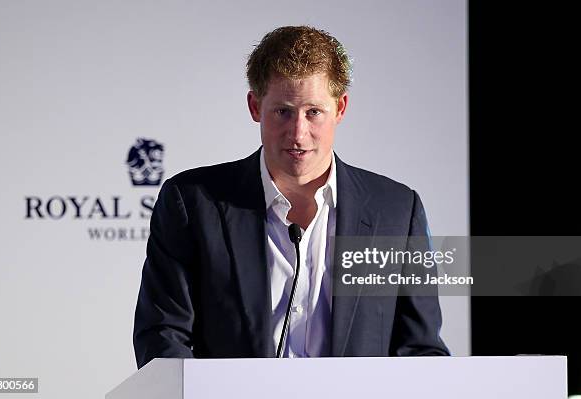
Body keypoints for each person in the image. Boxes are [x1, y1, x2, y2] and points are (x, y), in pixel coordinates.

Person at [133, 25, 449, 369]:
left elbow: (420, 351)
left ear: (340, 108)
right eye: (283, 111)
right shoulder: (192, 203)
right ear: (255, 106)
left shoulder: (397, 211)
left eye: (314, 112)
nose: (298, 133)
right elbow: (164, 337)